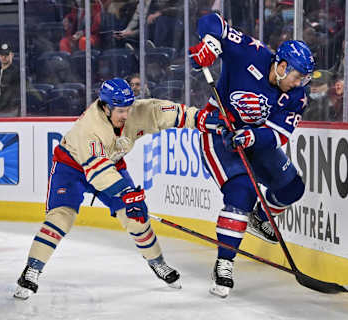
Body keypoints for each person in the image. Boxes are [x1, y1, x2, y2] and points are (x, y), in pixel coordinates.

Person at [13, 77, 210, 300]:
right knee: (60, 219)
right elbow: (97, 172)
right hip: (72, 167)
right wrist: (126, 193)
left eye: (128, 108)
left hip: (111, 165)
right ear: (106, 107)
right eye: (120, 111)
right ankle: (32, 269)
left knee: (136, 216)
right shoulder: (91, 127)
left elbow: (165, 112)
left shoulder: (132, 111)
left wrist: (202, 118)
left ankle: (158, 263)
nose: (125, 115)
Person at [188, 13, 315, 298]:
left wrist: (252, 136)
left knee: (292, 187)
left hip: (253, 140)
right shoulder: (250, 52)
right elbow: (210, 21)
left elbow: (279, 134)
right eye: (296, 76)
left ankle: (261, 218)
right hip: (219, 135)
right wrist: (208, 43)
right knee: (242, 192)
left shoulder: (297, 96)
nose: (298, 83)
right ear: (281, 66)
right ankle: (224, 264)